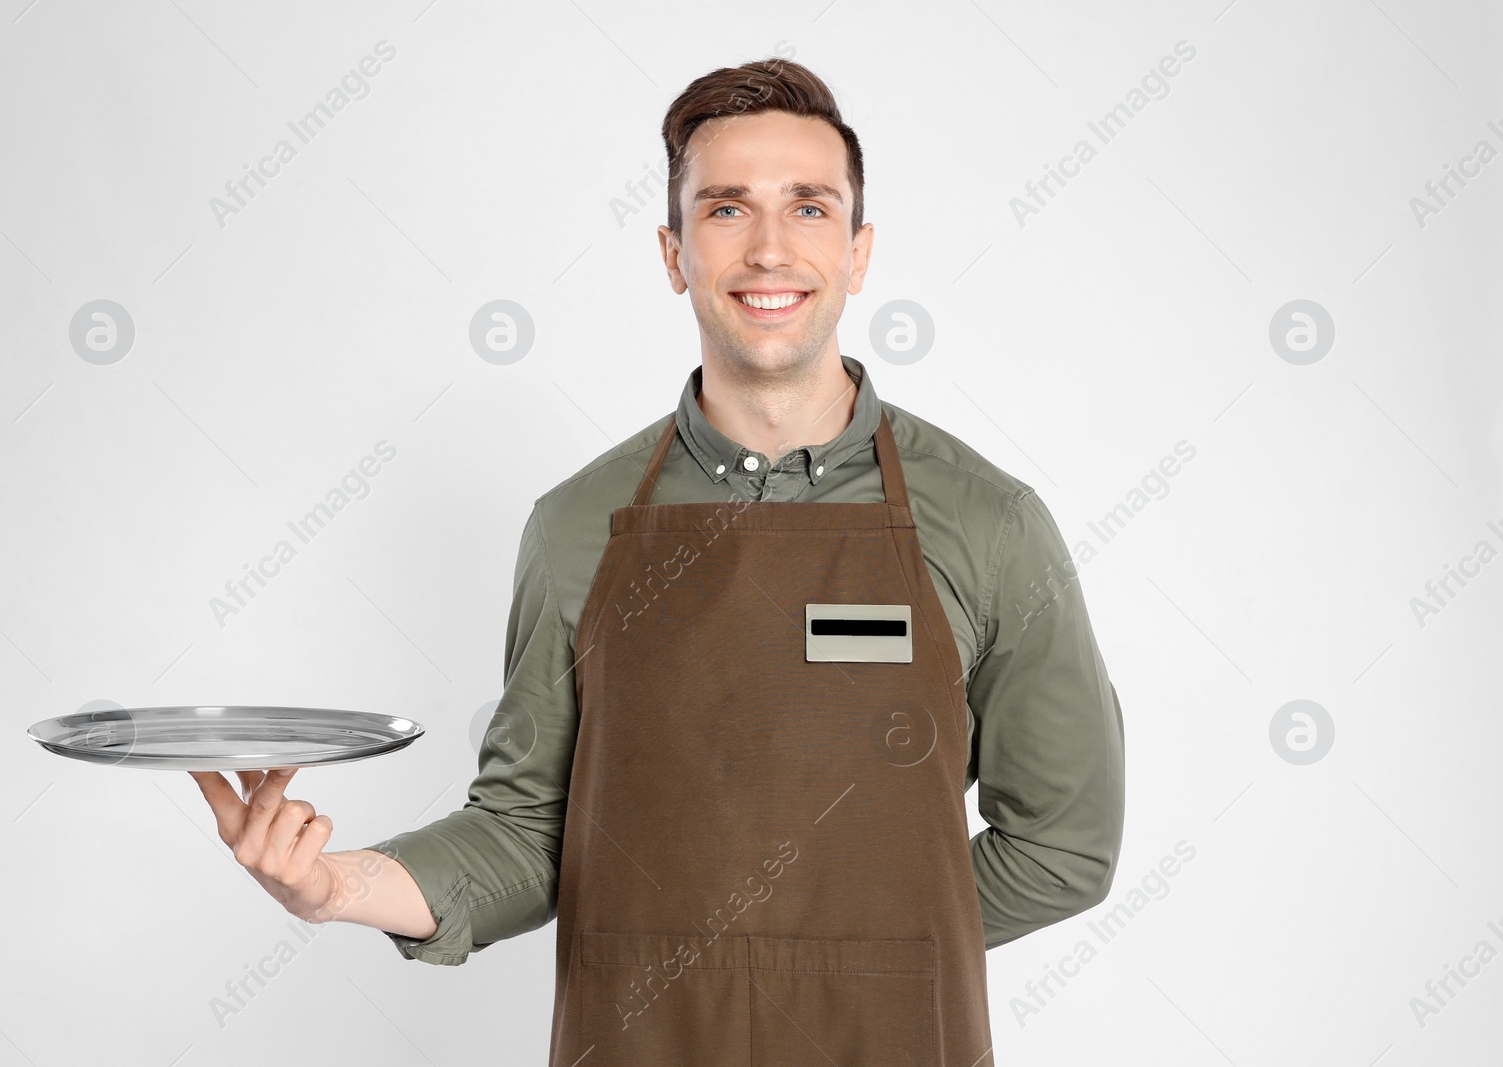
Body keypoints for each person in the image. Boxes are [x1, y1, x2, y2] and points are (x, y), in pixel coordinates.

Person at [191, 56, 1124, 1065]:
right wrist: (334, 886)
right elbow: (525, 832)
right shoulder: (574, 525)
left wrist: (860, 949)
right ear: (674, 252)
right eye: (726, 210)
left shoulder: (989, 525)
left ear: (857, 253)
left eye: (808, 209)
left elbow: (1062, 844)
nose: (769, 248)